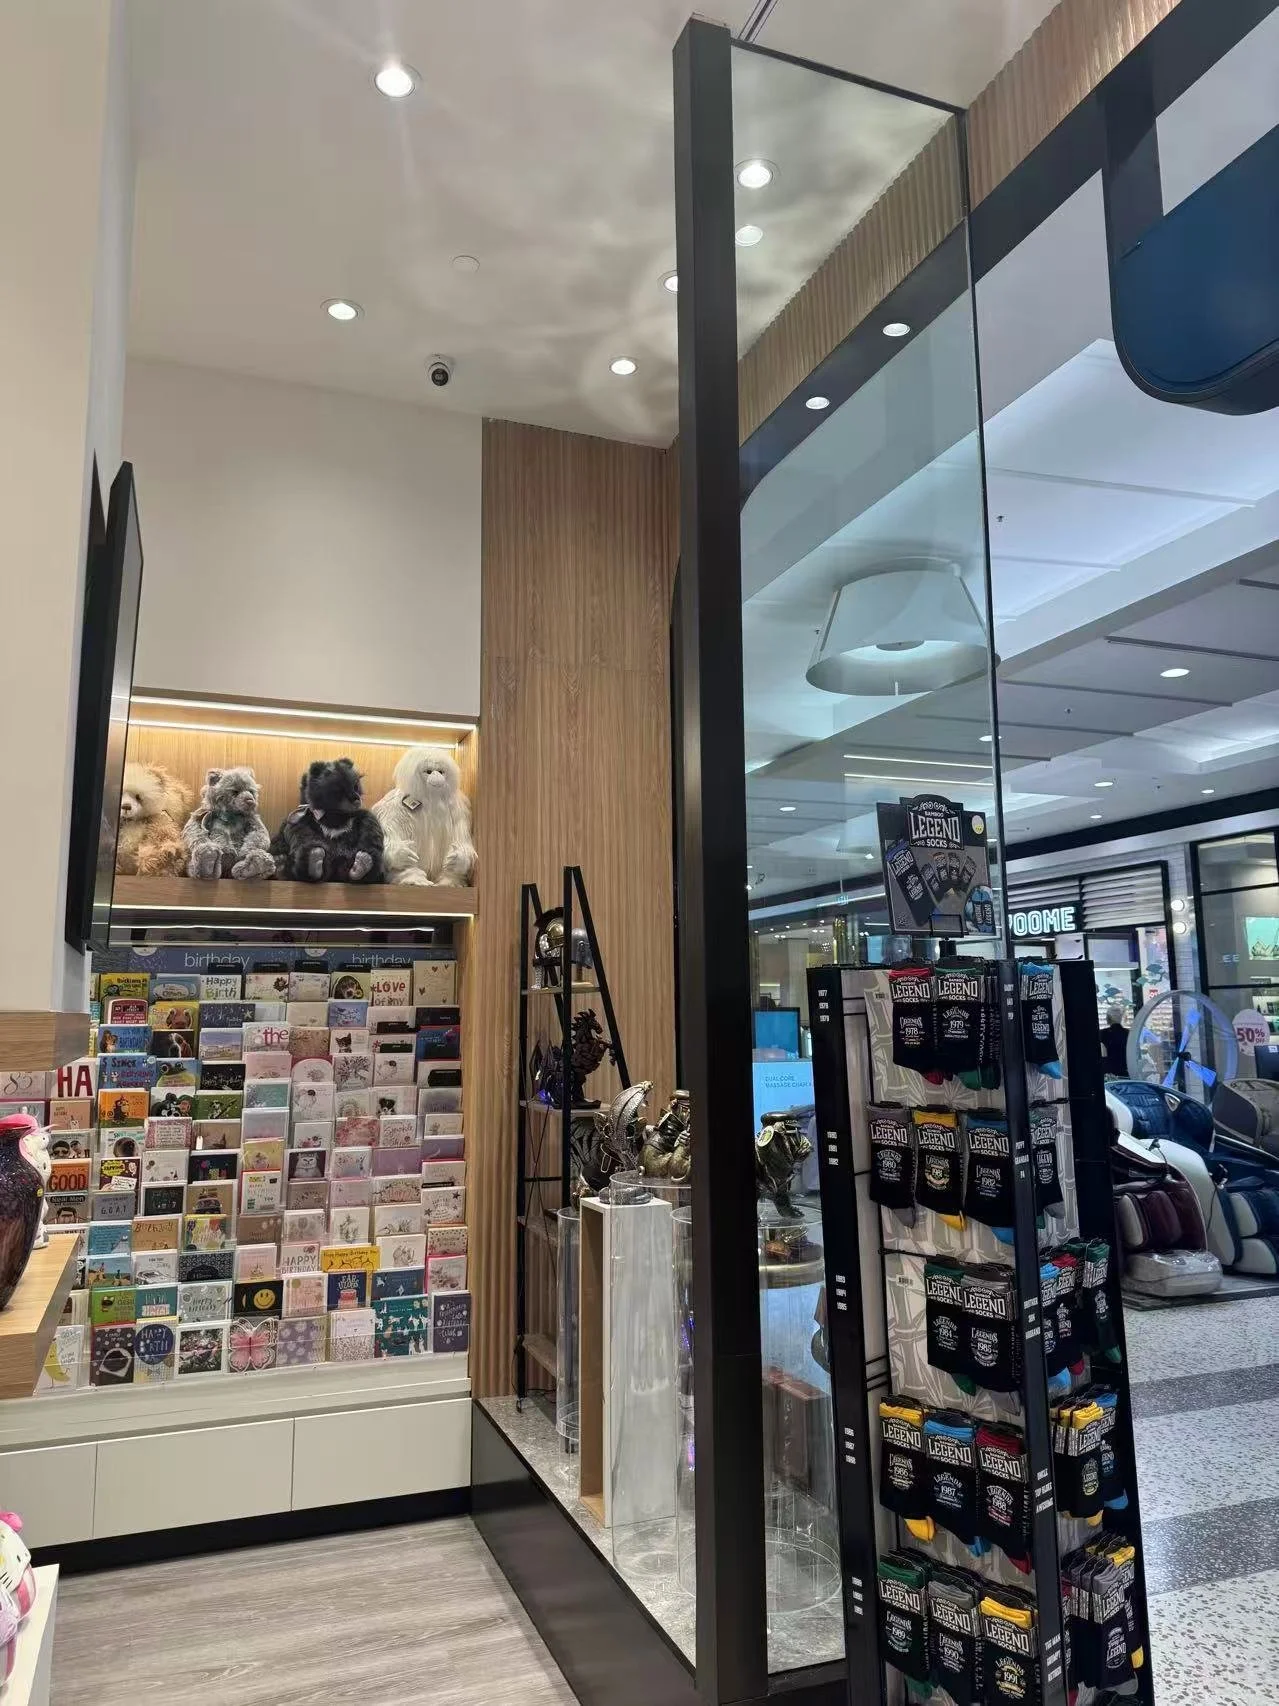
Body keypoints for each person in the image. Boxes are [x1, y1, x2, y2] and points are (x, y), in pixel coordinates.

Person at [1100, 1003, 1130, 1077]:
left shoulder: (1102, 1034)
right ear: (1124, 1018)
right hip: (1127, 1073)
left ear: (1108, 1018)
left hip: (1109, 1075)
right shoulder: (1129, 1034)